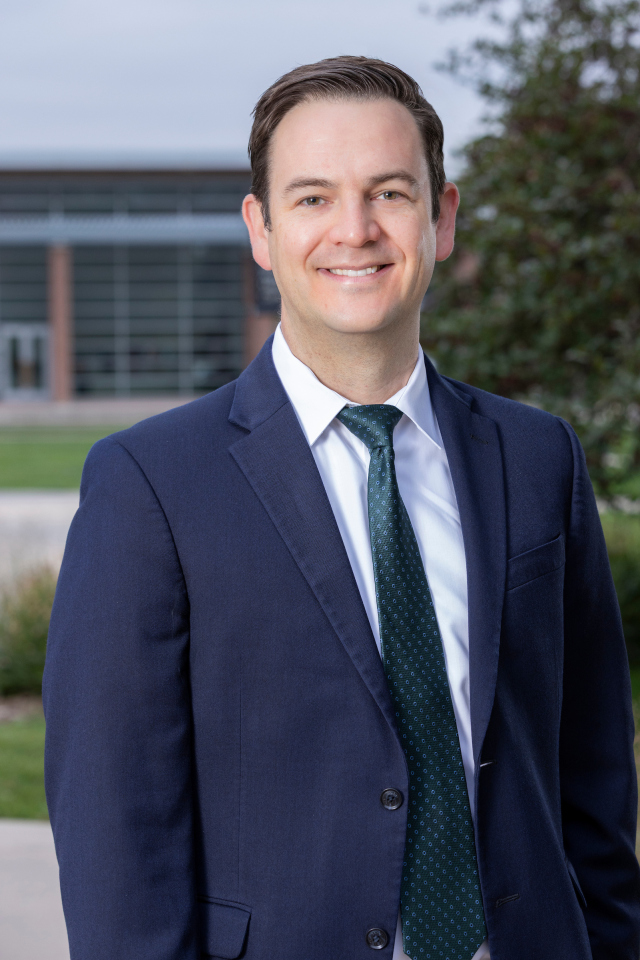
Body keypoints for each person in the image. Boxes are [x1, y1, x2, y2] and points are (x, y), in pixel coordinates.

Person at [43, 56, 640, 960]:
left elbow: (593, 769)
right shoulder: (150, 483)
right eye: (314, 197)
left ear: (441, 218)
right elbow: (116, 826)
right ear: (261, 227)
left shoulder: (536, 454)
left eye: (390, 192)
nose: (354, 230)